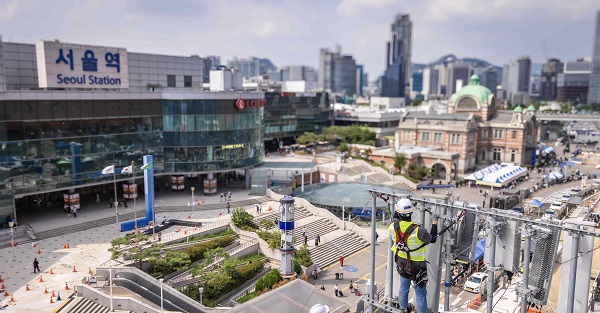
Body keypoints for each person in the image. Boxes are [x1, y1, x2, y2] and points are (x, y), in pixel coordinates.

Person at [388, 198, 438, 313]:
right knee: (420, 293)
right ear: (412, 212)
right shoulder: (418, 230)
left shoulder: (392, 227)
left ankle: (403, 309)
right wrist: (434, 221)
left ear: (398, 212)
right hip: (417, 266)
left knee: (403, 288)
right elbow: (433, 239)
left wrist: (400, 207)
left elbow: (396, 217)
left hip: (401, 262)